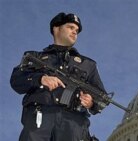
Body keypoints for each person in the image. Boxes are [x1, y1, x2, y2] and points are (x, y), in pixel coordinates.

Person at [10, 12, 106, 141]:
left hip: (73, 125)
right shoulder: (35, 57)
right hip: (40, 120)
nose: (74, 32)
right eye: (70, 27)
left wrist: (91, 102)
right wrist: (41, 79)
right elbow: (16, 80)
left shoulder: (88, 64)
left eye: (77, 30)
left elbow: (102, 97)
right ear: (56, 28)